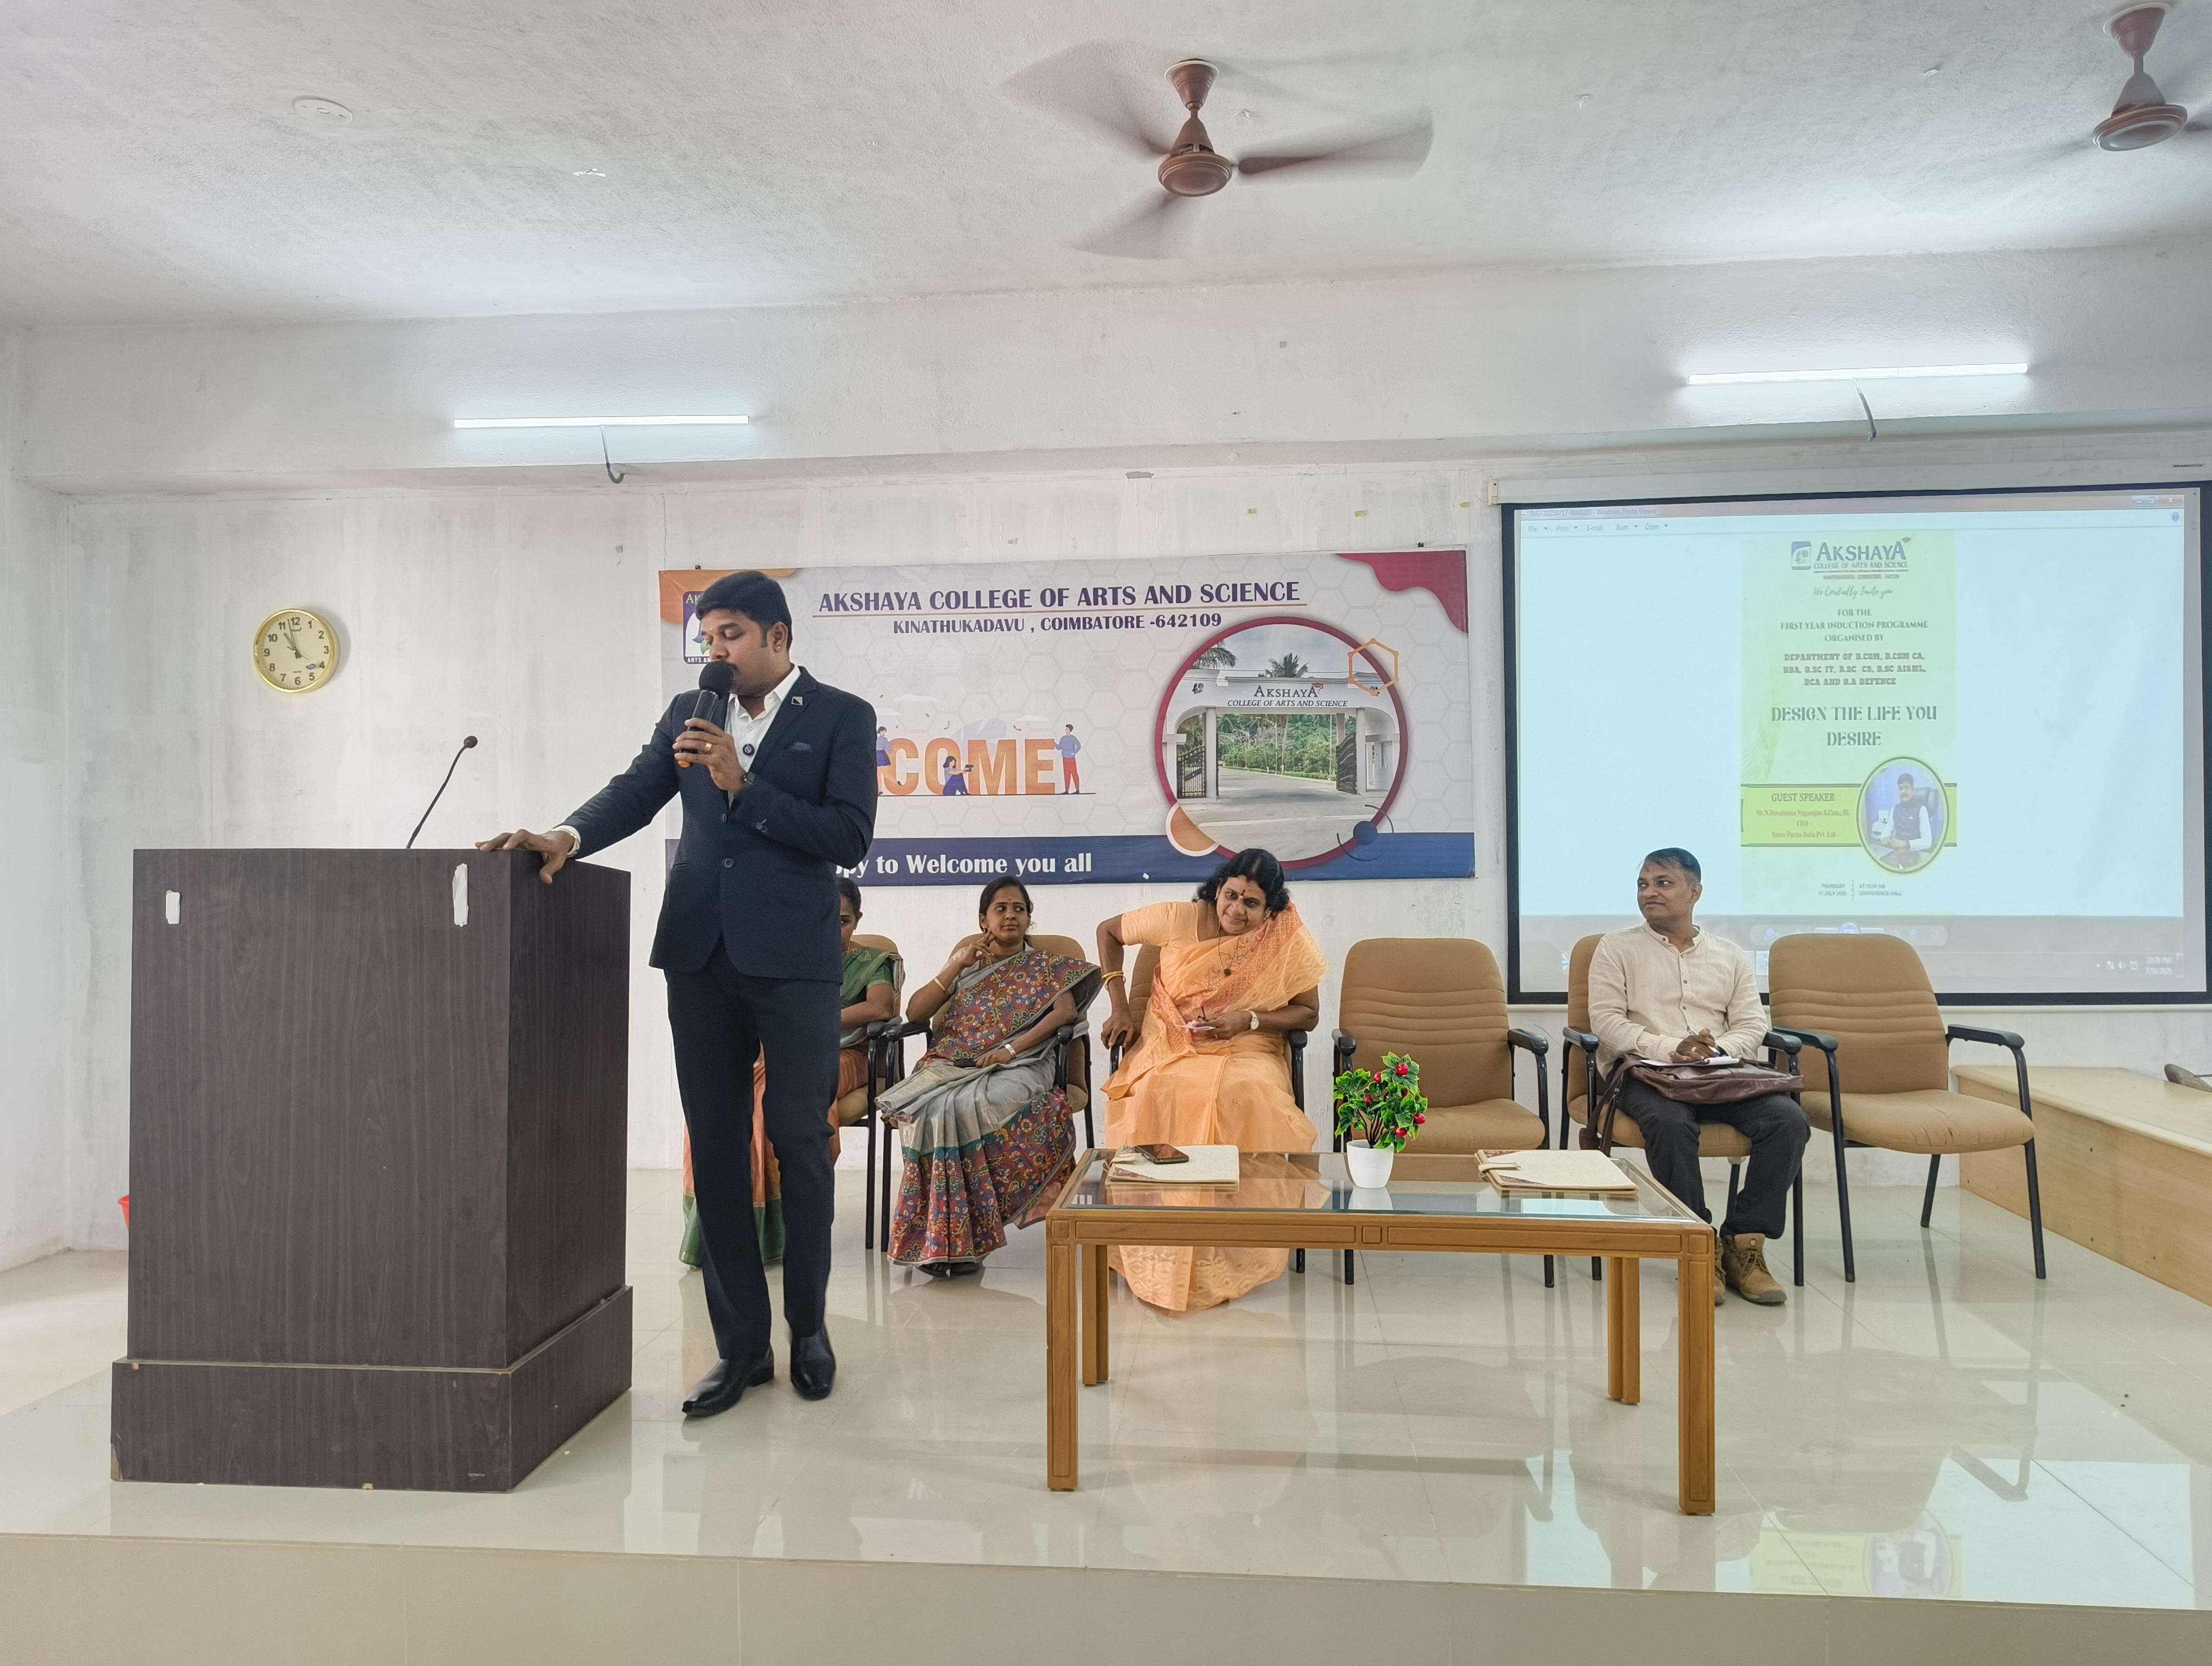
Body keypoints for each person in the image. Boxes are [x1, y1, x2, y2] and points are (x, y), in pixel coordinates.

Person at [477, 569, 876, 1415]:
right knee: (717, 1148)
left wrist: (745, 788)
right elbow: (637, 789)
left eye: (731, 635)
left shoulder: (842, 715)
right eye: (708, 638)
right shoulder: (691, 711)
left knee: (801, 1140)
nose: (715, 652)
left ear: (778, 636)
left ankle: (809, 1330)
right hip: (699, 953)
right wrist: (567, 834)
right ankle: (741, 1349)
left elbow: (849, 836)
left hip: (796, 961)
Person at [1095, 848, 1326, 1312]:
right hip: (1171, 1043)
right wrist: (1120, 1007)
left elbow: (1309, 1013)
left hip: (1248, 1046)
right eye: (1231, 895)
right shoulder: (1177, 918)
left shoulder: (1285, 938)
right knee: (1157, 1090)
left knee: (1242, 1094)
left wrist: (1250, 1020)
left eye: (1252, 903)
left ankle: (1227, 1247)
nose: (1236, 910)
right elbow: (1108, 932)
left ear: (1271, 909)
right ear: (1218, 888)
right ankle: (1158, 1243)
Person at [1586, 847, 1808, 1306]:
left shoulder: (1730, 955)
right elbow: (1606, 1022)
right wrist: (1670, 1048)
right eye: (1643, 884)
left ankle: (1745, 1243)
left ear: (1695, 892)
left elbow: (1752, 1024)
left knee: (1788, 1121)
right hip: (1646, 1073)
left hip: (1720, 1074)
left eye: (1663, 883)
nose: (1649, 893)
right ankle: (1697, 1244)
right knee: (1670, 1125)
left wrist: (1716, 1051)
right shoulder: (1616, 947)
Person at [877, 877, 1100, 1276]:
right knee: (927, 1110)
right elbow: (915, 1013)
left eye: (1019, 909)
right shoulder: (966, 965)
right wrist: (957, 965)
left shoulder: (1046, 966)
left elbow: (1066, 1013)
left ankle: (969, 1236)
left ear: (1029, 919)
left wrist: (1009, 1050)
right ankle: (942, 1240)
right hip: (953, 1062)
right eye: (1001, 909)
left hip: (1022, 1062)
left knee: (977, 1104)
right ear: (984, 920)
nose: (1010, 916)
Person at [678, 875, 899, 1268]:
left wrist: (813, 1023)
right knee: (723, 1100)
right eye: (824, 918)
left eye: (843, 921)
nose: (833, 929)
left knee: (773, 1099)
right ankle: (725, 1229)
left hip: (845, 1054)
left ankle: (776, 1234)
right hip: (784, 1052)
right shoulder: (789, 958)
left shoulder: (873, 962)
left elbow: (881, 1008)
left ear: (857, 921)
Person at [1870, 772, 1935, 871]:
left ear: (1912, 790)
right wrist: (1884, 838)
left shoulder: (1922, 809)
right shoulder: (1895, 809)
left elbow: (1927, 842)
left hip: (1915, 858)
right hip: (1897, 856)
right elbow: (1887, 831)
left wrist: (1906, 843)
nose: (1903, 791)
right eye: (1901, 789)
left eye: (1907, 788)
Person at [1058, 724, 1082, 793]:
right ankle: (1067, 791)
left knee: (1074, 773)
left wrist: (1075, 752)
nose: (1066, 730)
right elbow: (1059, 747)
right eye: (1066, 729)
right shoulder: (1063, 738)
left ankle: (1077, 790)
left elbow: (1079, 746)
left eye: (1067, 729)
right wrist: (1053, 743)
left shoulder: (1073, 738)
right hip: (1065, 758)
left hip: (1071, 759)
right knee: (1066, 775)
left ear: (1070, 730)